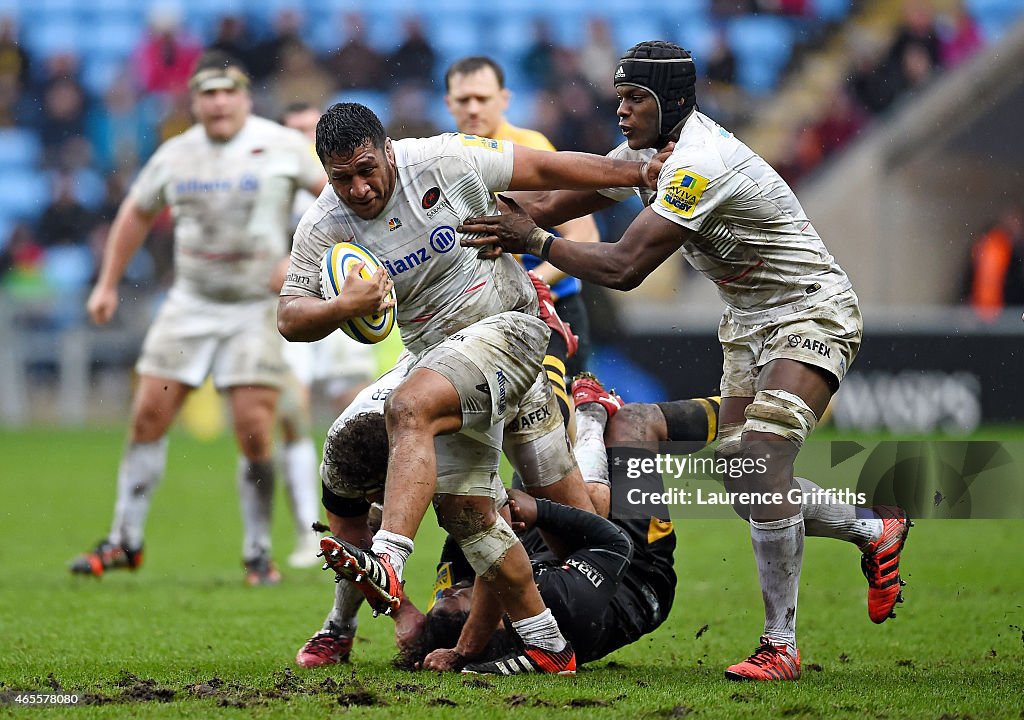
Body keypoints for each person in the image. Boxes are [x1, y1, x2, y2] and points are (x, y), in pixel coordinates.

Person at [458, 41, 911, 681]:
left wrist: (534, 242)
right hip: (748, 321)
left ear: (670, 100)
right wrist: (472, 226)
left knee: (759, 465)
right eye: (618, 96)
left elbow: (623, 267)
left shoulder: (699, 160)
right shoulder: (648, 148)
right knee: (743, 476)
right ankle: (872, 525)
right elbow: (562, 202)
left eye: (634, 98)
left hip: (811, 310)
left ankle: (780, 644)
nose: (620, 110)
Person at [277, 101, 664, 674]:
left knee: (409, 407)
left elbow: (546, 170)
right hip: (445, 361)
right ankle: (551, 644)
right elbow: (289, 317)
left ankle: (387, 557)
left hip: (510, 328)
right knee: (473, 515)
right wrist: (341, 306)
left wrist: (638, 171)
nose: (358, 189)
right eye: (342, 178)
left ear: (388, 150)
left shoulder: (441, 159)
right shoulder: (323, 223)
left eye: (365, 170)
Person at [68, 51, 327, 585]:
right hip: (190, 304)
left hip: (255, 306)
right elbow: (136, 213)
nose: (219, 102)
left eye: (228, 91)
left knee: (255, 430)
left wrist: (302, 261)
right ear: (195, 102)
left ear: (245, 97)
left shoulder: (281, 146)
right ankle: (124, 540)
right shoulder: (176, 154)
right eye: (208, 94)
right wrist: (108, 282)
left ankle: (258, 553)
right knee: (146, 418)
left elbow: (336, 202)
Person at [444, 56, 599, 421]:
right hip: (483, 314)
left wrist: (533, 283)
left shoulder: (531, 152)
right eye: (463, 100)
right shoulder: (442, 157)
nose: (472, 108)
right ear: (448, 103)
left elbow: (585, 232)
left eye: (482, 99)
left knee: (558, 420)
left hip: (552, 309)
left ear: (505, 99)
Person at [275, 102, 373, 568]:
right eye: (289, 128)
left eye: (303, 129)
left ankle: (366, 519)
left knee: (353, 419)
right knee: (291, 413)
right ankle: (302, 531)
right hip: (297, 305)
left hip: (344, 308)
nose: (296, 137)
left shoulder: (337, 187)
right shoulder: (271, 185)